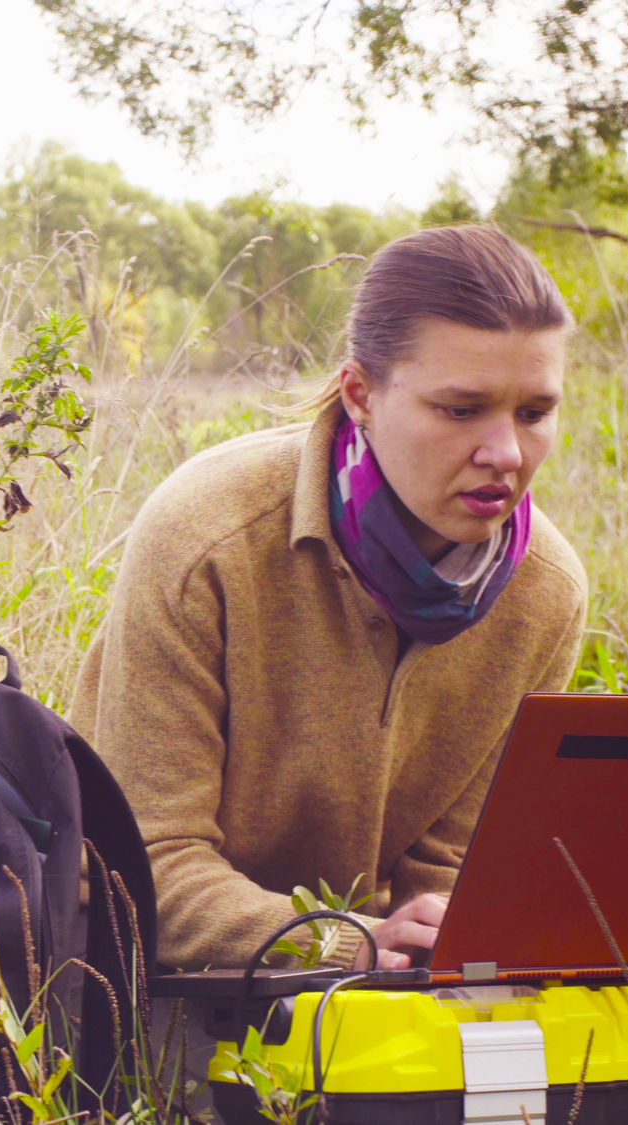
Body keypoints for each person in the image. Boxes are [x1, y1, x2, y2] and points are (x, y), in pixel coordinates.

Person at [71, 225, 588, 977]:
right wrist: (344, 941)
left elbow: (449, 875)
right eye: (460, 409)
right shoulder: (208, 535)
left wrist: (443, 946)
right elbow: (139, 863)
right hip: (155, 982)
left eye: (535, 412)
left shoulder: (546, 591)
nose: (506, 453)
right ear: (361, 394)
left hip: (371, 997)